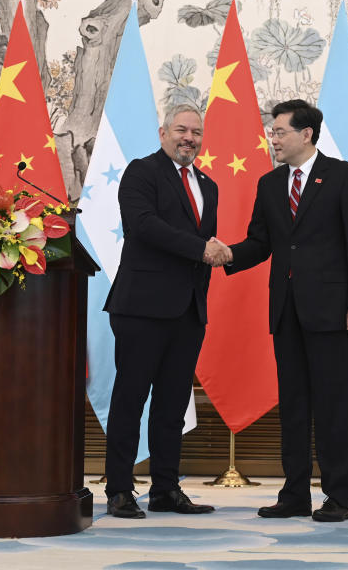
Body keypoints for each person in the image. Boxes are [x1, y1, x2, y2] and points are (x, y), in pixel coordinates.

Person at [219, 99, 348, 522]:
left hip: (332, 312)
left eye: (280, 131)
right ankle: (294, 494)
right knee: (294, 406)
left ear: (306, 134)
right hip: (286, 312)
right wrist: (226, 254)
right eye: (272, 131)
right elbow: (261, 243)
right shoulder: (270, 185)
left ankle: (339, 497)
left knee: (334, 406)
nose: (273, 138)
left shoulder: (343, 177)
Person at [103, 104, 231, 519]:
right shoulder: (142, 172)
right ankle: (120, 490)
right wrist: (201, 249)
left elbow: (204, 245)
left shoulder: (208, 185)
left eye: (196, 132)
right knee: (130, 400)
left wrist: (212, 253)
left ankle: (165, 489)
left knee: (173, 405)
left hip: (188, 311)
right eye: (181, 129)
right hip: (141, 308)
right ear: (163, 133)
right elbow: (142, 226)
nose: (189, 138)